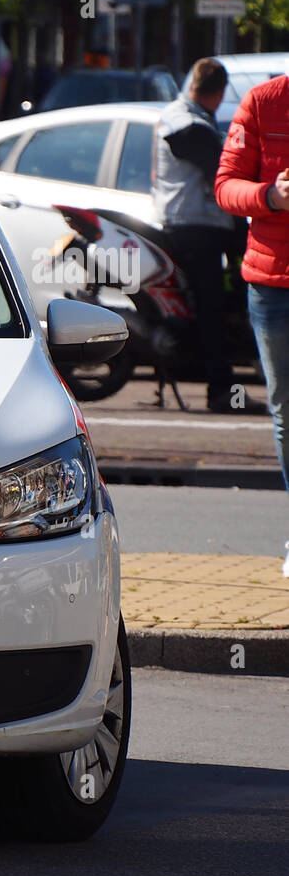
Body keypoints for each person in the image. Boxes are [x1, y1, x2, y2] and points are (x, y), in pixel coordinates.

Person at [214, 70, 289, 571]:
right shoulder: (263, 102)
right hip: (272, 284)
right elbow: (225, 186)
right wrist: (270, 196)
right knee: (286, 411)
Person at [155, 58, 241, 413]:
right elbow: (216, 164)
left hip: (195, 222)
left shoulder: (185, 116)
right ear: (219, 93)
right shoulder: (187, 122)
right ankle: (222, 391)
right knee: (212, 306)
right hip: (195, 225)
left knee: (220, 299)